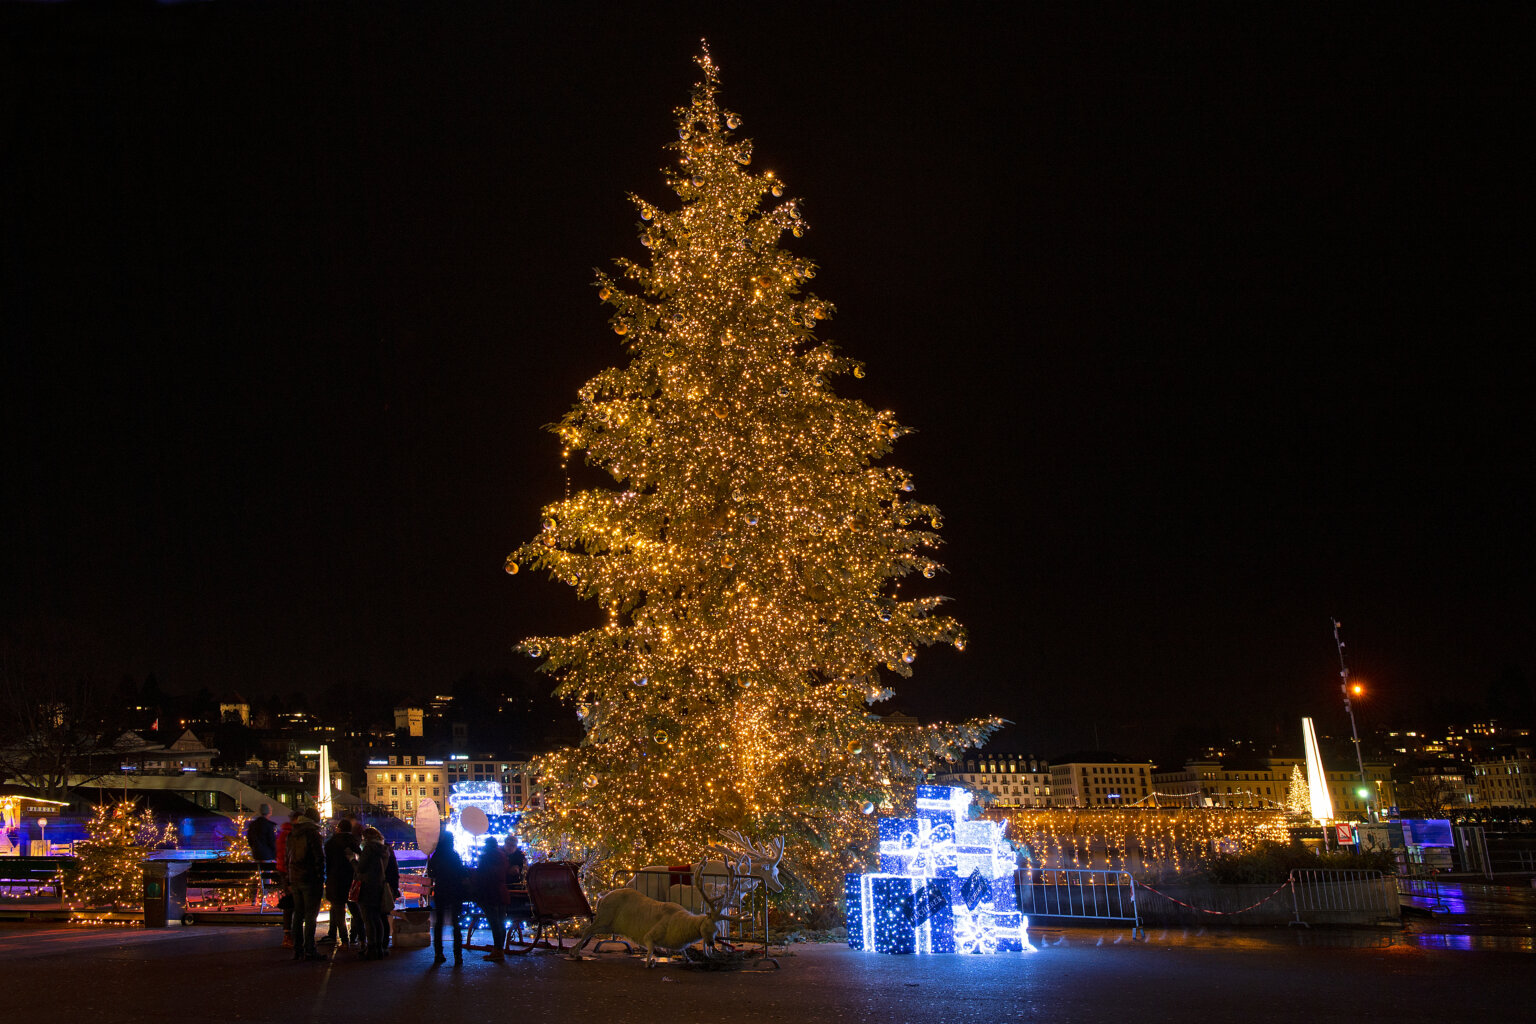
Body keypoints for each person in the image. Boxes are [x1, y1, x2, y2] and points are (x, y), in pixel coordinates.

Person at [286, 808, 325, 961]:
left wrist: (289, 878)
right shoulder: (312, 834)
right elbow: (319, 857)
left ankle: (297, 949)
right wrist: (321, 876)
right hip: (310, 878)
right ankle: (309, 948)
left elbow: (286, 856)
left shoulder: (292, 834)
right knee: (310, 915)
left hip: (295, 877)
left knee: (298, 914)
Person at [426, 827, 467, 965]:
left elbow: (431, 873)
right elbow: (461, 871)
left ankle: (438, 953)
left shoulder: (436, 855)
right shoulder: (454, 855)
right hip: (455, 889)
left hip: (441, 888)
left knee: (439, 922)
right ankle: (458, 955)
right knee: (456, 923)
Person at [321, 819, 359, 946]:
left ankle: (343, 939)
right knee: (354, 910)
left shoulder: (331, 842)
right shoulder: (354, 841)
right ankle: (356, 936)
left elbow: (327, 861)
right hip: (350, 880)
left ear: (339, 829)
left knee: (338, 910)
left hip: (335, 879)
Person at [354, 826, 390, 960]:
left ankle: (372, 947)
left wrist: (352, 859)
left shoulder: (368, 849)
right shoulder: (384, 849)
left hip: (367, 886)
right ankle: (379, 947)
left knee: (368, 918)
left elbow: (360, 868)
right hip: (378, 886)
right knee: (377, 917)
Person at [473, 835, 509, 961]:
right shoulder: (502, 856)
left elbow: (482, 874)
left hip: (490, 892)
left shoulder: (487, 857)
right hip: (501, 891)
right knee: (500, 921)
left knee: (494, 922)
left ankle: (498, 950)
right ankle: (500, 949)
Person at [274, 811, 297, 948]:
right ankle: (290, 935)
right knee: (291, 904)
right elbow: (288, 856)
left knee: (289, 904)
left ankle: (288, 935)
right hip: (289, 872)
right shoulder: (291, 835)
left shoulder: (283, 833)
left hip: (284, 871)